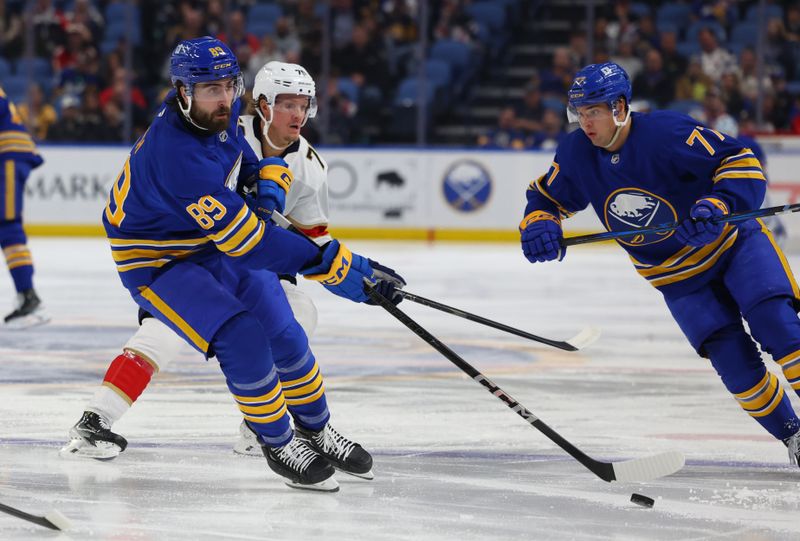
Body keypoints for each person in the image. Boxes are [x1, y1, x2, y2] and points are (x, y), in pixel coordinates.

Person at [61, 37, 404, 492]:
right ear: (184, 91)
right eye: (210, 89)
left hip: (206, 242)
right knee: (241, 336)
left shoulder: (216, 119)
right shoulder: (176, 156)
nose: (224, 99)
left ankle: (315, 430)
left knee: (284, 328)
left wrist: (259, 182)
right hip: (157, 260)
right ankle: (278, 442)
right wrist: (337, 265)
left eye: (229, 86)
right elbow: (250, 243)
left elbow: (238, 159)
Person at [519, 62, 800, 467]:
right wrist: (540, 224)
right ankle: (794, 436)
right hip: (678, 279)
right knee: (736, 368)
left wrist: (719, 202)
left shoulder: (666, 132)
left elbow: (741, 161)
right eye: (579, 113)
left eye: (593, 111)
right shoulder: (577, 151)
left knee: (779, 326)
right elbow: (546, 197)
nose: (585, 122)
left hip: (735, 248)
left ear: (619, 107)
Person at [0, 85, 48, 328]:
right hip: (8, 154)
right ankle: (27, 294)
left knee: (7, 224)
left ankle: (29, 297)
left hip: (8, 155)